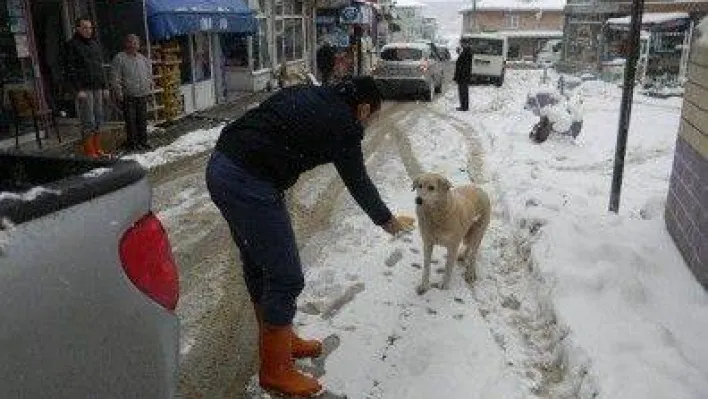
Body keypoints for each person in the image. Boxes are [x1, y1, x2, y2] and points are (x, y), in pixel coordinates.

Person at [205, 76, 408, 397]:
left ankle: (280, 344)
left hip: (223, 166)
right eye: (372, 117)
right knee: (286, 278)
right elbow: (358, 182)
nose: (369, 124)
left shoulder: (312, 93)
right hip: (249, 180)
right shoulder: (345, 124)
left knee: (260, 265)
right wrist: (388, 222)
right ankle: (276, 369)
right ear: (364, 108)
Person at [64, 17, 109, 157]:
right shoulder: (71, 45)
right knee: (88, 120)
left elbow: (100, 68)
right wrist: (77, 89)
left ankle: (98, 148)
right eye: (85, 28)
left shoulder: (94, 44)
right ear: (77, 28)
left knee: (99, 118)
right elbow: (70, 69)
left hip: (98, 87)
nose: (88, 30)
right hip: (84, 89)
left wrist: (105, 86)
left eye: (90, 28)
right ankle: (89, 151)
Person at [111, 34, 152, 151]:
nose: (134, 45)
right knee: (131, 122)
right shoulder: (119, 58)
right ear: (126, 44)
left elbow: (148, 74)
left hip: (142, 94)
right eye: (131, 42)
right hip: (128, 95)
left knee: (142, 120)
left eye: (136, 43)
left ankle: (143, 141)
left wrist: (148, 88)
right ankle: (133, 144)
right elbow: (115, 78)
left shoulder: (142, 58)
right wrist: (119, 93)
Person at [453, 45, 472, 111]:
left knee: (463, 92)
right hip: (463, 77)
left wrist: (458, 76)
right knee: (464, 92)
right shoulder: (466, 54)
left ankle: (464, 107)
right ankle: (464, 106)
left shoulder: (465, 55)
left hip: (463, 77)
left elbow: (461, 67)